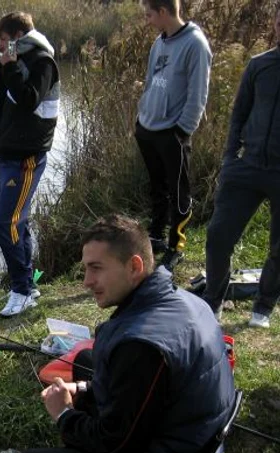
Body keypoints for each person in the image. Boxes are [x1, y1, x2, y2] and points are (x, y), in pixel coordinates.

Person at [8, 214, 235, 453]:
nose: (87, 281)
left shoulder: (142, 346)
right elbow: (137, 391)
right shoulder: (186, 300)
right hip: (188, 438)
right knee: (87, 364)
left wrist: (64, 415)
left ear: (135, 266)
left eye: (96, 268)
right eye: (86, 268)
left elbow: (112, 444)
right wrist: (85, 390)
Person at [0, 11, 60, 317]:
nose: (0, 46)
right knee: (19, 221)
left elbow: (29, 99)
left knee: (4, 222)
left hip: (27, 159)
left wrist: (11, 65)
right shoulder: (8, 64)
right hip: (7, 157)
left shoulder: (42, 62)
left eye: (4, 41)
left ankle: (20, 290)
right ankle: (30, 284)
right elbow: (5, 115)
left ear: (18, 37)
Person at [203, 6, 280, 329]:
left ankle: (263, 306)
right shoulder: (260, 65)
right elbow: (238, 116)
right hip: (246, 168)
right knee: (218, 236)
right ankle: (213, 303)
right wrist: (229, 160)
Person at [135, 0, 212, 271]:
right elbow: (149, 82)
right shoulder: (159, 42)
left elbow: (198, 95)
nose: (147, 20)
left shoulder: (195, 44)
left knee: (179, 191)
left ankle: (175, 245)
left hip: (172, 133)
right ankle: (155, 235)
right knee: (157, 187)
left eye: (149, 14)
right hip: (148, 128)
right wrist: (141, 117)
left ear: (164, 12)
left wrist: (182, 131)